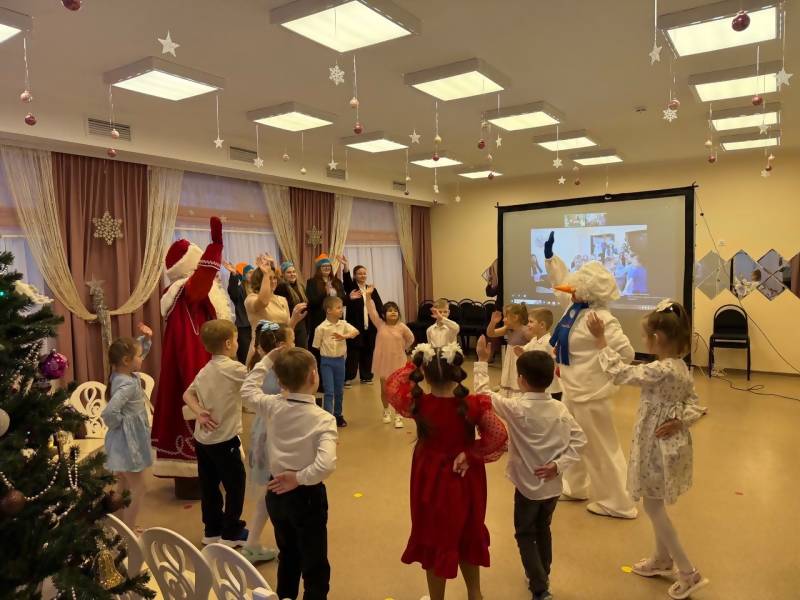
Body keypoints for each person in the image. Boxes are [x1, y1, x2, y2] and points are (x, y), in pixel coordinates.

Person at [587, 301, 709, 600]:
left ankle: (687, 571)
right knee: (655, 502)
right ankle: (661, 559)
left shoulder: (660, 369)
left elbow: (619, 373)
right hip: (667, 443)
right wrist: (680, 420)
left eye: (644, 336)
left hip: (656, 446)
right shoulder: (680, 367)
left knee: (653, 508)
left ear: (657, 338)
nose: (642, 340)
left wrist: (601, 341)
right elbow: (695, 404)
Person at [385, 342, 508, 600]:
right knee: (467, 530)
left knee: (433, 535)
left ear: (425, 374)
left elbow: (393, 387)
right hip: (465, 478)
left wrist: (414, 364)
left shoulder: (418, 403)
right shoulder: (473, 404)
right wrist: (471, 453)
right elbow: (498, 436)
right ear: (457, 371)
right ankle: (475, 593)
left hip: (429, 478)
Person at [474, 336, 586, 600]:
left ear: (521, 380)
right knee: (543, 528)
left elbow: (482, 394)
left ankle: (540, 587)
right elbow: (580, 440)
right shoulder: (560, 409)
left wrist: (481, 361)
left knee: (525, 533)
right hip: (552, 486)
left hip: (526, 486)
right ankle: (543, 573)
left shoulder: (516, 407)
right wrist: (558, 465)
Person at [544, 231, 638, 519]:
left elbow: (627, 354)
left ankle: (620, 502)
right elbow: (561, 286)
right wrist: (550, 258)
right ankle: (575, 487)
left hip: (592, 393)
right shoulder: (575, 310)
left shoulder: (603, 319)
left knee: (601, 448)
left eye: (576, 286)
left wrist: (601, 341)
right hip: (573, 389)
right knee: (571, 441)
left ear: (587, 291)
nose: (571, 289)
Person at [241, 347, 338, 600]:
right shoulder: (323, 419)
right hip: (307, 496)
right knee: (314, 562)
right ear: (313, 376)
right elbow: (326, 464)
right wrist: (299, 478)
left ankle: (285, 595)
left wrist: (267, 359)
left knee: (288, 554)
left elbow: (247, 391)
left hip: (276, 492)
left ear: (280, 381)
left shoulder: (272, 405)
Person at [152, 216, 233, 484]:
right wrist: (216, 245)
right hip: (195, 367)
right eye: (198, 264)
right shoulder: (186, 291)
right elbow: (203, 278)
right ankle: (198, 475)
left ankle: (203, 474)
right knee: (198, 420)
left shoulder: (184, 296)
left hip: (198, 363)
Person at [182, 319, 249, 547]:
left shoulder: (205, 370)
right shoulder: (234, 369)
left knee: (209, 486)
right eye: (236, 339)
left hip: (203, 441)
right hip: (225, 441)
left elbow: (187, 395)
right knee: (235, 485)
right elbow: (254, 380)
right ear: (229, 343)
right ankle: (231, 532)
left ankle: (212, 529)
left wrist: (199, 413)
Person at [241, 320, 294, 564]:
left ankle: (252, 543)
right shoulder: (282, 373)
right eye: (292, 341)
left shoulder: (259, 366)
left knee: (269, 490)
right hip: (277, 433)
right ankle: (285, 544)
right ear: (281, 346)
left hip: (262, 431)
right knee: (279, 489)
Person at [101, 323, 154, 531]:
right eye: (139, 356)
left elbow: (137, 354)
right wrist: (122, 425)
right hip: (127, 444)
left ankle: (120, 528)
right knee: (139, 487)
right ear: (126, 360)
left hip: (120, 442)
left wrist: (145, 340)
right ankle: (129, 530)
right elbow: (109, 413)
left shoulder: (119, 374)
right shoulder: (127, 384)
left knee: (122, 486)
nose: (142, 359)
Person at [364, 285, 414, 428]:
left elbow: (410, 339)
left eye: (395, 310)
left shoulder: (402, 327)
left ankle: (398, 415)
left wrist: (402, 348)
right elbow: (371, 310)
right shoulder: (380, 325)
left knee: (398, 391)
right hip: (383, 362)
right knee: (384, 390)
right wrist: (368, 296)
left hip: (398, 361)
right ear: (383, 314)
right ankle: (386, 411)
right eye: (390, 310)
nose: (393, 312)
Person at [244, 254, 307, 363]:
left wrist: (294, 319)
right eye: (269, 278)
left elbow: (286, 330)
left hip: (281, 351)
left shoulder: (282, 299)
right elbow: (263, 302)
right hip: (262, 351)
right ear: (260, 280)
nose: (273, 281)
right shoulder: (251, 298)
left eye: (274, 278)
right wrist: (265, 273)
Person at [312, 296, 359, 427]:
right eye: (338, 308)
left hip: (340, 362)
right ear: (328, 310)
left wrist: (344, 336)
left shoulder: (343, 324)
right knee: (329, 391)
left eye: (341, 307)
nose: (341, 310)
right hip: (326, 362)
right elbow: (316, 346)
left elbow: (355, 331)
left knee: (339, 390)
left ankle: (338, 415)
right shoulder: (321, 328)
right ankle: (328, 418)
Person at [342, 257, 383, 388]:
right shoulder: (352, 288)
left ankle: (366, 376)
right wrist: (346, 267)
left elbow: (379, 306)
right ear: (355, 276)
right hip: (355, 326)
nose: (362, 275)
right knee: (353, 353)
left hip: (370, 327)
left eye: (364, 273)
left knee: (368, 351)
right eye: (359, 273)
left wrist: (383, 319)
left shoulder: (371, 289)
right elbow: (346, 280)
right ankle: (348, 377)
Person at [306, 254, 347, 380]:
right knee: (319, 350)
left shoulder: (337, 282)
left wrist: (348, 298)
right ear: (319, 268)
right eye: (323, 266)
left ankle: (336, 378)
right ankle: (320, 380)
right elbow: (312, 302)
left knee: (336, 348)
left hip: (336, 322)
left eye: (328, 266)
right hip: (320, 321)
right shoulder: (312, 282)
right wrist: (325, 292)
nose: (327, 268)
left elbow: (343, 300)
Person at [516, 308, 562, 400]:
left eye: (531, 322)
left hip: (552, 387)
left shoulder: (549, 342)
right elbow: (526, 354)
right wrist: (521, 353)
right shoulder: (534, 340)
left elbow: (557, 360)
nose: (528, 324)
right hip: (539, 384)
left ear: (542, 325)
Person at [487, 304, 533, 397]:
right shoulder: (508, 329)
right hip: (510, 362)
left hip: (519, 363)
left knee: (517, 383)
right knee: (509, 381)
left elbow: (535, 344)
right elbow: (490, 333)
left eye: (506, 317)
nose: (503, 320)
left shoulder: (525, 331)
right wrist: (493, 322)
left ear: (515, 317)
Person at [224, 261, 254, 364]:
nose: (252, 274)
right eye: (249, 272)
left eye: (253, 272)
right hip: (244, 328)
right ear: (244, 275)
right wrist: (234, 275)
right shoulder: (240, 289)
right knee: (246, 358)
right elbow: (232, 292)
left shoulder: (258, 289)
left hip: (257, 327)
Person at [274, 260, 310, 348]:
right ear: (283, 275)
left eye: (294, 272)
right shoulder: (281, 287)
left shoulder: (300, 287)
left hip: (301, 324)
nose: (292, 274)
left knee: (302, 349)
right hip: (289, 323)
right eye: (289, 272)